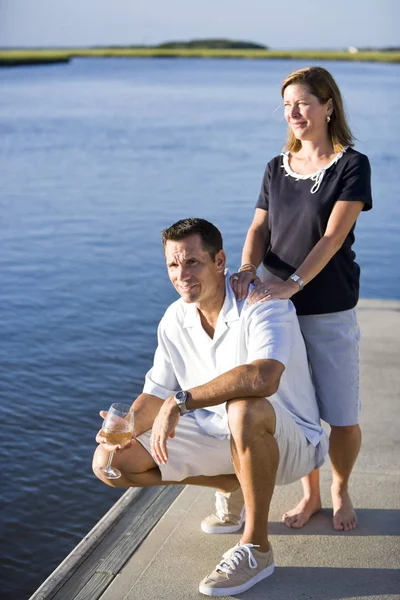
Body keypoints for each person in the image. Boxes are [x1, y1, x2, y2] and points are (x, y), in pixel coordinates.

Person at [93, 217, 328, 597]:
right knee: (108, 464)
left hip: (290, 443)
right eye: (173, 264)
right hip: (219, 437)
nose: (181, 274)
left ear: (220, 260)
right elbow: (156, 394)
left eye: (192, 262)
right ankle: (230, 483)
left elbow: (264, 377)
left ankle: (256, 547)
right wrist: (128, 427)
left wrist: (181, 401)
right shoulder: (174, 318)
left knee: (244, 408)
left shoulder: (263, 303)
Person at [231, 66, 372, 532]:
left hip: (327, 305)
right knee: (297, 409)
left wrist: (295, 282)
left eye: (304, 102)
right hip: (274, 305)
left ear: (329, 106)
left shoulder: (352, 165)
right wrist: (249, 270)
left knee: (341, 412)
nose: (293, 112)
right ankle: (310, 493)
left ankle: (340, 489)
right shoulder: (277, 166)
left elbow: (333, 237)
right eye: (287, 104)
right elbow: (258, 228)